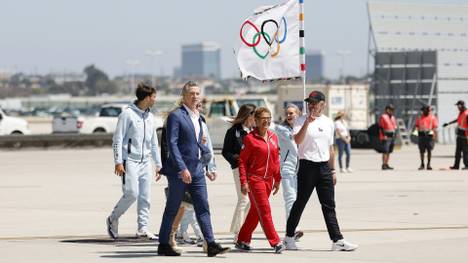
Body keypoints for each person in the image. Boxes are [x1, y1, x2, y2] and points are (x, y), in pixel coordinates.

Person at [157, 81, 229, 257]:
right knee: (172, 207)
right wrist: (182, 168)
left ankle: (210, 243)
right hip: (179, 172)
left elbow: (202, 143)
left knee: (203, 206)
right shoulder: (176, 116)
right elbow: (172, 144)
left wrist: (208, 164)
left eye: (197, 93)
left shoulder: (199, 117)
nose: (195, 96)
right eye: (191, 93)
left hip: (197, 170)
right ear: (184, 96)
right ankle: (163, 244)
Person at [283, 90, 358, 252]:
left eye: (314, 102)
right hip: (307, 166)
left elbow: (331, 149)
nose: (311, 105)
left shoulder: (329, 122)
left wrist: (332, 171)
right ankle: (289, 237)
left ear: (322, 104)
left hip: (324, 167)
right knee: (300, 203)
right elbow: (297, 140)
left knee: (329, 205)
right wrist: (306, 123)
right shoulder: (300, 120)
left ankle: (337, 240)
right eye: (309, 102)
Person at [106, 82, 162, 240]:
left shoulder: (150, 117)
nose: (155, 100)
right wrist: (118, 161)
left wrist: (158, 164)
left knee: (145, 196)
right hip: (129, 160)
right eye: (153, 97)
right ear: (146, 98)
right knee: (132, 193)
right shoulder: (127, 114)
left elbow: (153, 143)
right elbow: (117, 139)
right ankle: (113, 219)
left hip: (145, 162)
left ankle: (142, 228)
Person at [235, 107, 285, 254]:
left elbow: (275, 160)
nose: (266, 121)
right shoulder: (250, 139)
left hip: (268, 181)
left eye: (268, 118)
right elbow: (242, 162)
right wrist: (244, 181)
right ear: (255, 121)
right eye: (263, 118)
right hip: (254, 180)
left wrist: (277, 179)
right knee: (264, 210)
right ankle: (275, 242)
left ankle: (242, 239)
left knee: (255, 212)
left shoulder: (273, 137)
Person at [222, 104, 256, 239]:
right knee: (244, 199)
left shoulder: (255, 131)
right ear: (248, 115)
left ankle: (240, 229)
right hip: (239, 169)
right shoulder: (233, 132)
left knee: (251, 201)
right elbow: (226, 152)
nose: (256, 118)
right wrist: (237, 161)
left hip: (253, 170)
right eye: (254, 115)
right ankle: (239, 233)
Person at [274, 104, 304, 241]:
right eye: (288, 113)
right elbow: (294, 137)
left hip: (301, 169)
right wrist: (303, 126)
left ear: (298, 114)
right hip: (287, 167)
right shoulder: (281, 129)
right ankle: (294, 229)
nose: (289, 115)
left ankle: (292, 228)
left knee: (297, 200)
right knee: (290, 198)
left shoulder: (302, 128)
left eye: (292, 113)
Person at [443, 100, 468, 170]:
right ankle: (456, 166)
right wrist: (448, 123)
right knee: (458, 152)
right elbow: (457, 120)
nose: (457, 107)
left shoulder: (466, 114)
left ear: (462, 105)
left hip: (465, 136)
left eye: (458, 105)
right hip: (459, 135)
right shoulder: (461, 113)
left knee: (465, 152)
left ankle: (467, 165)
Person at [414, 105, 438, 170]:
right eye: (424, 110)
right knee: (421, 151)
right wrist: (416, 134)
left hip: (429, 135)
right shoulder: (419, 118)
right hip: (421, 135)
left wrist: (434, 136)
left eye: (427, 110)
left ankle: (429, 164)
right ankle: (422, 164)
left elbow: (435, 127)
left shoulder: (432, 118)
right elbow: (416, 126)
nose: (425, 111)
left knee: (429, 150)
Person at [379, 104, 397, 170]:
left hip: (392, 136)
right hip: (385, 136)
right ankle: (383, 164)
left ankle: (386, 164)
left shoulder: (393, 117)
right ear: (387, 110)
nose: (392, 111)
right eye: (391, 110)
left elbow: (395, 127)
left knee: (389, 151)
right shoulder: (383, 117)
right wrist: (384, 135)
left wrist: (395, 135)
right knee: (385, 151)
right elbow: (381, 127)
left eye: (393, 110)